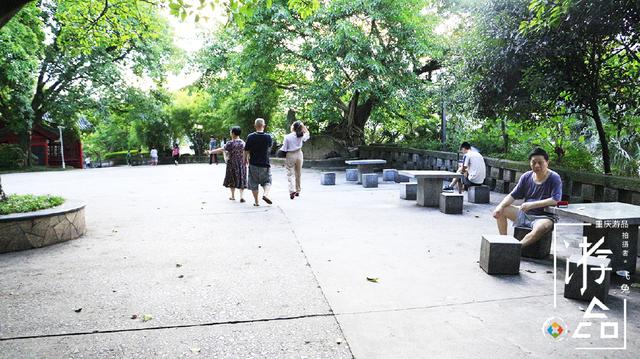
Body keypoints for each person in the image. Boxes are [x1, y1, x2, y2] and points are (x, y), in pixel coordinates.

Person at [492, 147, 562, 248]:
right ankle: (504, 242)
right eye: (533, 162)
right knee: (502, 210)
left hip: (544, 216)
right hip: (525, 213)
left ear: (547, 162)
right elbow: (512, 195)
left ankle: (517, 248)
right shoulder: (526, 177)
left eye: (540, 162)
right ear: (530, 163)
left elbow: (556, 200)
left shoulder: (554, 177)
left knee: (541, 228)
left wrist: (532, 205)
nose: (537, 165)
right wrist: (500, 206)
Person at [210, 127, 247, 202]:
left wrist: (211, 151)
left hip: (232, 163)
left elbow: (221, 149)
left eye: (230, 132)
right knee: (241, 178)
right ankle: (241, 196)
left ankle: (233, 196)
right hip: (241, 164)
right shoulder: (243, 143)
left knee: (232, 179)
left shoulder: (230, 143)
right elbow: (246, 152)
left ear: (233, 133)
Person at [244, 118, 273, 207]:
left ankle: (256, 202)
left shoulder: (250, 136)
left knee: (254, 182)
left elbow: (246, 150)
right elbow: (269, 148)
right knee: (267, 181)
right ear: (264, 126)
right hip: (265, 164)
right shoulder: (268, 137)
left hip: (253, 163)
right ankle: (265, 194)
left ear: (255, 126)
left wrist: (246, 159)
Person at [280, 121, 310, 199]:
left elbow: (284, 148)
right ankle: (298, 190)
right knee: (298, 173)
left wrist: (283, 157)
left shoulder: (287, 137)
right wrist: (304, 128)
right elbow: (308, 135)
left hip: (290, 155)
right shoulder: (301, 135)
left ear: (292, 127)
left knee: (290, 173)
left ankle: (291, 190)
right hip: (299, 154)